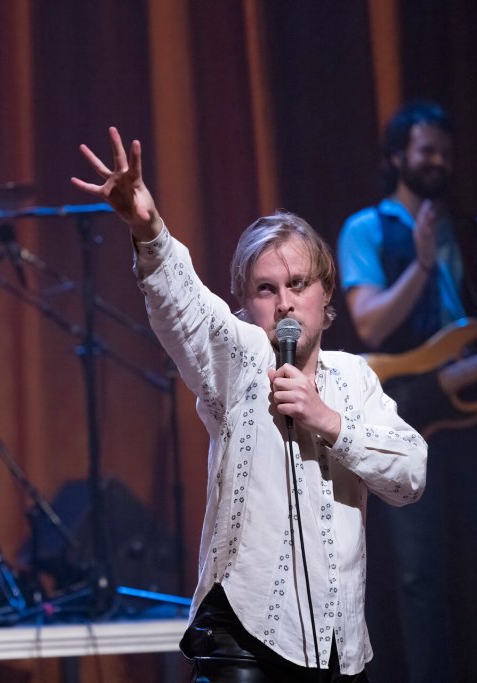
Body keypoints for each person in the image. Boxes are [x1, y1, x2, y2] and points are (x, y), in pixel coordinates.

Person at [72, 127, 427, 681]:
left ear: (326, 290)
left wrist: (329, 422)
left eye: (298, 283)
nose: (284, 302)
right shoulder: (240, 358)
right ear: (247, 302)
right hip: (243, 634)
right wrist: (148, 230)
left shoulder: (356, 379)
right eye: (265, 289)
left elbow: (411, 473)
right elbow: (187, 310)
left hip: (337, 642)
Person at [337, 102, 477, 682]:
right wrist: (422, 266)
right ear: (398, 156)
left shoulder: (473, 230)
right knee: (419, 574)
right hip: (407, 419)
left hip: (476, 413)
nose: (438, 162)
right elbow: (370, 324)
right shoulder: (367, 229)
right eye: (427, 151)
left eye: (446, 153)